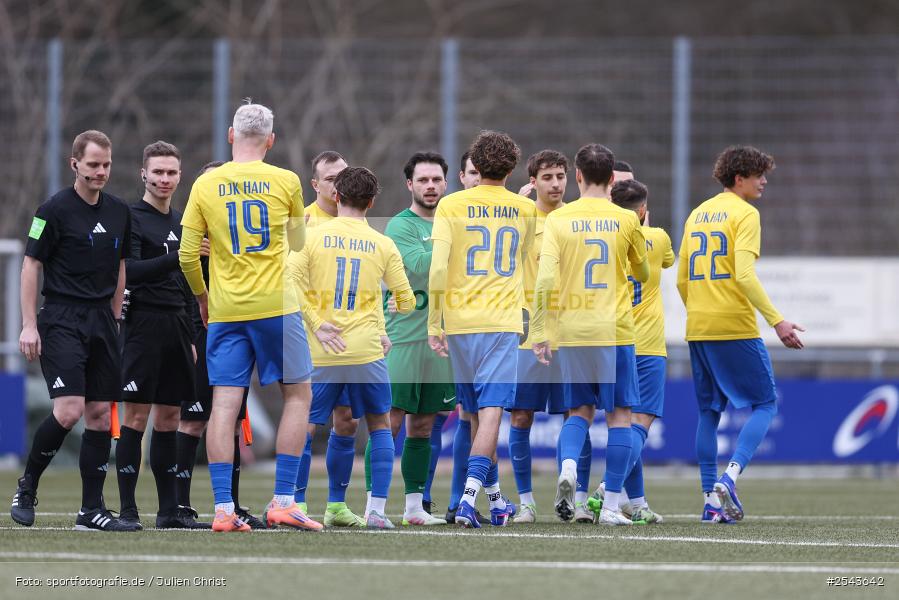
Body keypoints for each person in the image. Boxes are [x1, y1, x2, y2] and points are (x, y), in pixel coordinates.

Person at [180, 101, 321, 532]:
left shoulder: (207, 184)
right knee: (298, 396)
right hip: (276, 305)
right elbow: (297, 243)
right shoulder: (286, 180)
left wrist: (203, 298)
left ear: (230, 135)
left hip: (225, 310)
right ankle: (283, 501)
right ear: (271, 140)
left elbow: (188, 255)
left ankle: (223, 510)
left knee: (224, 403)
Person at [12, 130, 139, 531]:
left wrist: (116, 315)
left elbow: (121, 268)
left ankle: (90, 511)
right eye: (93, 165)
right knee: (69, 411)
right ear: (75, 165)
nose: (100, 172)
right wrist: (29, 324)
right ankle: (27, 485)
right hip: (62, 319)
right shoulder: (51, 211)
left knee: (101, 415)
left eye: (106, 165)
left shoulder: (120, 211)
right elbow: (31, 266)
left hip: (103, 321)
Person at [677, 145, 803, 523]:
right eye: (758, 174)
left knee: (708, 412)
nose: (764, 181)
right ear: (739, 179)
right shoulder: (746, 214)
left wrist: (701, 311)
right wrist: (777, 320)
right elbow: (744, 274)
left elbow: (682, 279)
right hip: (734, 324)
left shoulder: (697, 214)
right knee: (765, 404)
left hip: (698, 326)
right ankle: (729, 478)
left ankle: (709, 502)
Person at [531, 143, 649, 526]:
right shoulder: (626, 219)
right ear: (612, 178)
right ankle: (612, 505)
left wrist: (541, 330)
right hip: (614, 330)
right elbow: (643, 273)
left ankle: (568, 467)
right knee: (620, 415)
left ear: (577, 176)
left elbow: (546, 277)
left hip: (572, 330)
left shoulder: (558, 221)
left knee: (578, 412)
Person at [291, 166, 415, 529]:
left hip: (321, 348)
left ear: (337, 197)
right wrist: (388, 312)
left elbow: (292, 281)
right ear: (372, 201)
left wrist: (316, 322)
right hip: (365, 351)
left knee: (307, 426)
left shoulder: (311, 236)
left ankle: (296, 504)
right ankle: (375, 510)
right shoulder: (383, 243)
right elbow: (406, 300)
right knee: (379, 424)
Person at [428, 130, 535, 528]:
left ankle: (494, 498)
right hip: (501, 321)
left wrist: (434, 321)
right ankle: (471, 500)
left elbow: (438, 268)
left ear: (476, 164)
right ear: (510, 169)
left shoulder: (451, 204)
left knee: (472, 415)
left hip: (458, 322)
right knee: (490, 416)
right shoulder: (525, 210)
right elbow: (529, 269)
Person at [362, 152, 455, 526]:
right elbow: (419, 266)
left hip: (440, 339)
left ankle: (415, 507)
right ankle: (374, 506)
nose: (430, 186)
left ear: (445, 183)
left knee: (425, 425)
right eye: (423, 180)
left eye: (436, 180)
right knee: (390, 421)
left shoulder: (452, 222)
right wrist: (452, 245)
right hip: (402, 336)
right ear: (410, 185)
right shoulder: (400, 227)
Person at [116, 141, 204, 529]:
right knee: (136, 417)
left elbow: (186, 285)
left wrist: (189, 332)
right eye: (158, 172)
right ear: (144, 175)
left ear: (180, 175)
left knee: (170, 417)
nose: (164, 179)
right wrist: (181, 255)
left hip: (175, 328)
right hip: (142, 326)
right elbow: (130, 271)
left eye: (171, 172)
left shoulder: (182, 222)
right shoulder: (131, 218)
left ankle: (169, 512)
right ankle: (128, 510)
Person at [173, 160, 266, 530]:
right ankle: (179, 506)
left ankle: (233, 504)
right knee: (193, 421)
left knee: (230, 421)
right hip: (200, 337)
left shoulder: (238, 240)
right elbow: (182, 292)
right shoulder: (192, 241)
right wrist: (191, 339)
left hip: (233, 338)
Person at [506, 150, 587, 523]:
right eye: (548, 177)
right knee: (521, 417)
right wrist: (516, 207)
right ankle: (526, 502)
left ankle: (576, 498)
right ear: (533, 181)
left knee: (577, 413)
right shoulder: (521, 217)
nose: (555, 184)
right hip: (528, 333)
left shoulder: (577, 218)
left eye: (560, 176)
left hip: (570, 331)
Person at [588, 178, 675, 525]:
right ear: (642, 210)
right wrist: (644, 224)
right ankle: (606, 489)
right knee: (639, 423)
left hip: (610, 341)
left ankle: (636, 503)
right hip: (648, 344)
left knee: (620, 423)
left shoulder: (602, 240)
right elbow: (666, 261)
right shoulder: (658, 238)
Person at [293, 150, 370, 528]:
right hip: (310, 338)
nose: (337, 185)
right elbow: (288, 281)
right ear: (315, 185)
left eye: (343, 177)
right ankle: (296, 502)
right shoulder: (302, 222)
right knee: (305, 420)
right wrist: (314, 322)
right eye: (329, 179)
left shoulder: (359, 222)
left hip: (351, 341)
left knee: (348, 421)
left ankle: (337, 505)